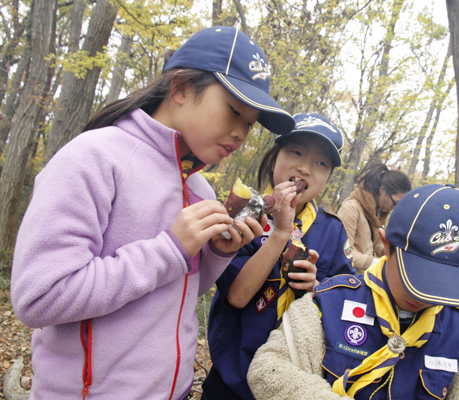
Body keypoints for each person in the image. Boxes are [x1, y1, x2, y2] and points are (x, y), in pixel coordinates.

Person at [10, 26, 295, 400]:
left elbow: (176, 292)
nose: (241, 133)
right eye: (234, 111)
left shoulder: (199, 189)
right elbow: (38, 296)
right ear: (179, 89)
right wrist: (169, 249)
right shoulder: (95, 157)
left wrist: (218, 253)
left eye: (249, 123)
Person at [248, 183, 459, 400]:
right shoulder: (328, 303)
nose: (425, 296)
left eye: (445, 283)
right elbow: (268, 369)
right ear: (386, 244)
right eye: (419, 278)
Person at [202, 113, 356, 400]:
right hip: (232, 375)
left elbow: (345, 305)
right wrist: (280, 232)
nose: (305, 167)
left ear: (327, 178)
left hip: (293, 382)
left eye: (320, 163)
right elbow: (236, 297)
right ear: (274, 159)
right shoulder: (245, 211)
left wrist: (316, 289)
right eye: (295, 152)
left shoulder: (332, 230)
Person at [337, 163, 411, 273]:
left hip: (363, 280)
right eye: (395, 202)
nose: (393, 208)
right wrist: (379, 265)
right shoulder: (351, 208)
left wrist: (397, 253)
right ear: (382, 190)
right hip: (346, 280)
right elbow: (344, 252)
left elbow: (379, 246)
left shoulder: (375, 214)